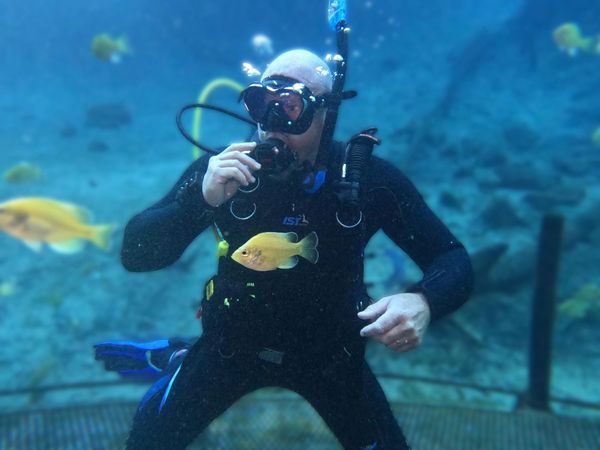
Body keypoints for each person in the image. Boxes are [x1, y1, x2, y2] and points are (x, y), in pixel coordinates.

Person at [114, 49, 473, 450]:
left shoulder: (368, 180)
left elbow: (452, 257)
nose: (271, 124)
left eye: (290, 106)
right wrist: (199, 199)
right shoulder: (221, 171)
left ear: (325, 113)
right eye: (260, 104)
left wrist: (424, 301)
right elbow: (136, 254)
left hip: (332, 356)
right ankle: (182, 359)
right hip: (230, 345)